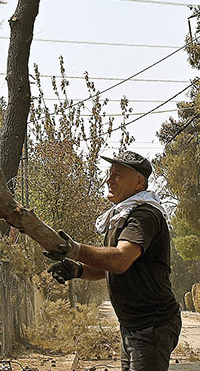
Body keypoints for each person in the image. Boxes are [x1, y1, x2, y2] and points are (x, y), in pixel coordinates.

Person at [46, 151, 181, 370]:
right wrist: (77, 270)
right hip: (132, 326)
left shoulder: (143, 215)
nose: (108, 180)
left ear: (139, 181)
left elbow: (120, 260)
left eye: (117, 175)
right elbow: (110, 267)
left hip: (151, 326)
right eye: (110, 174)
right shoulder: (122, 216)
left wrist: (74, 250)